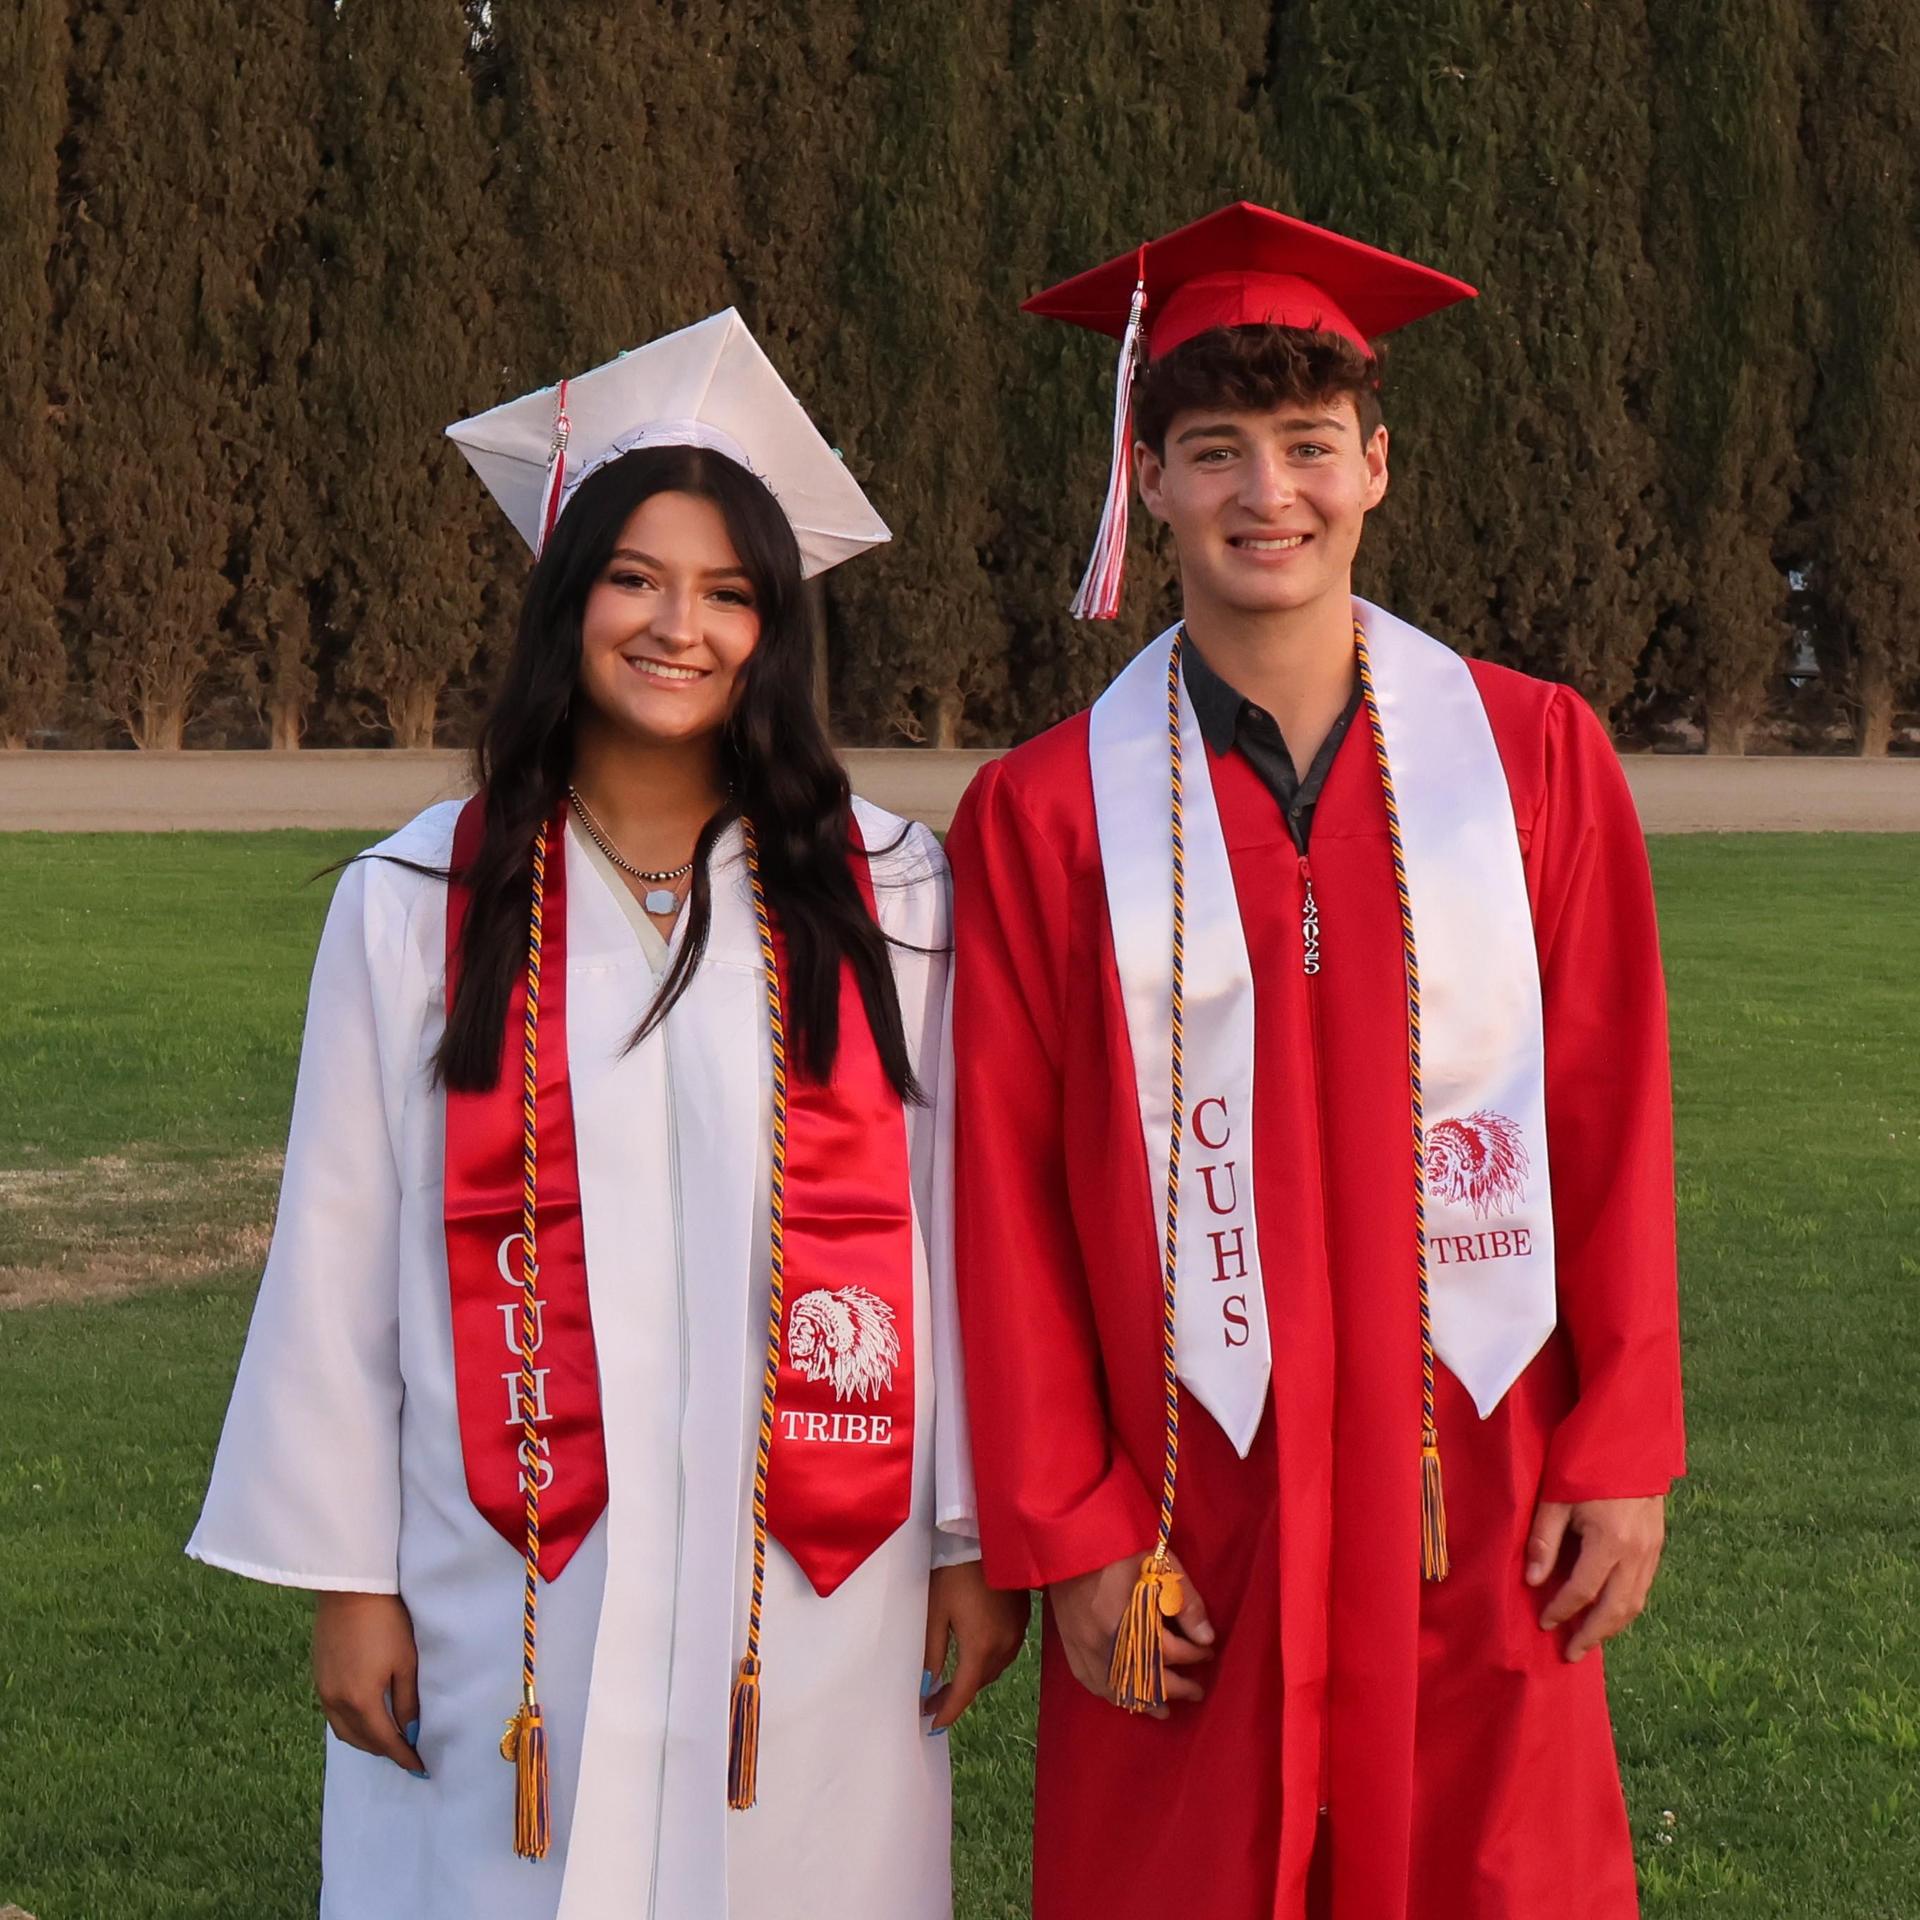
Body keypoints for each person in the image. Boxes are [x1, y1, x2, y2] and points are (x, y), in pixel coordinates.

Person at [189, 308, 1027, 1920]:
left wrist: (964, 1537)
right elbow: (337, 1253)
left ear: (776, 626)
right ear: (567, 597)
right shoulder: (419, 900)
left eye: (730, 592)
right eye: (636, 578)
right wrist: (348, 1580)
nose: (679, 627)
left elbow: (951, 1223)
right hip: (500, 1569)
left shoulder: (889, 891)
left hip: (815, 1570)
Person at [946, 204, 1684, 1919]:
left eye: (1306, 444)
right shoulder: (1046, 816)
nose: (1266, 491)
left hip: (1480, 1474)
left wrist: (1621, 1440)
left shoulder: (1533, 762)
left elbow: (1614, 1114)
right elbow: (1001, 1190)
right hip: (1190, 1501)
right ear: (1146, 479)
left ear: (1376, 467)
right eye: (1215, 450)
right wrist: (1073, 1525)